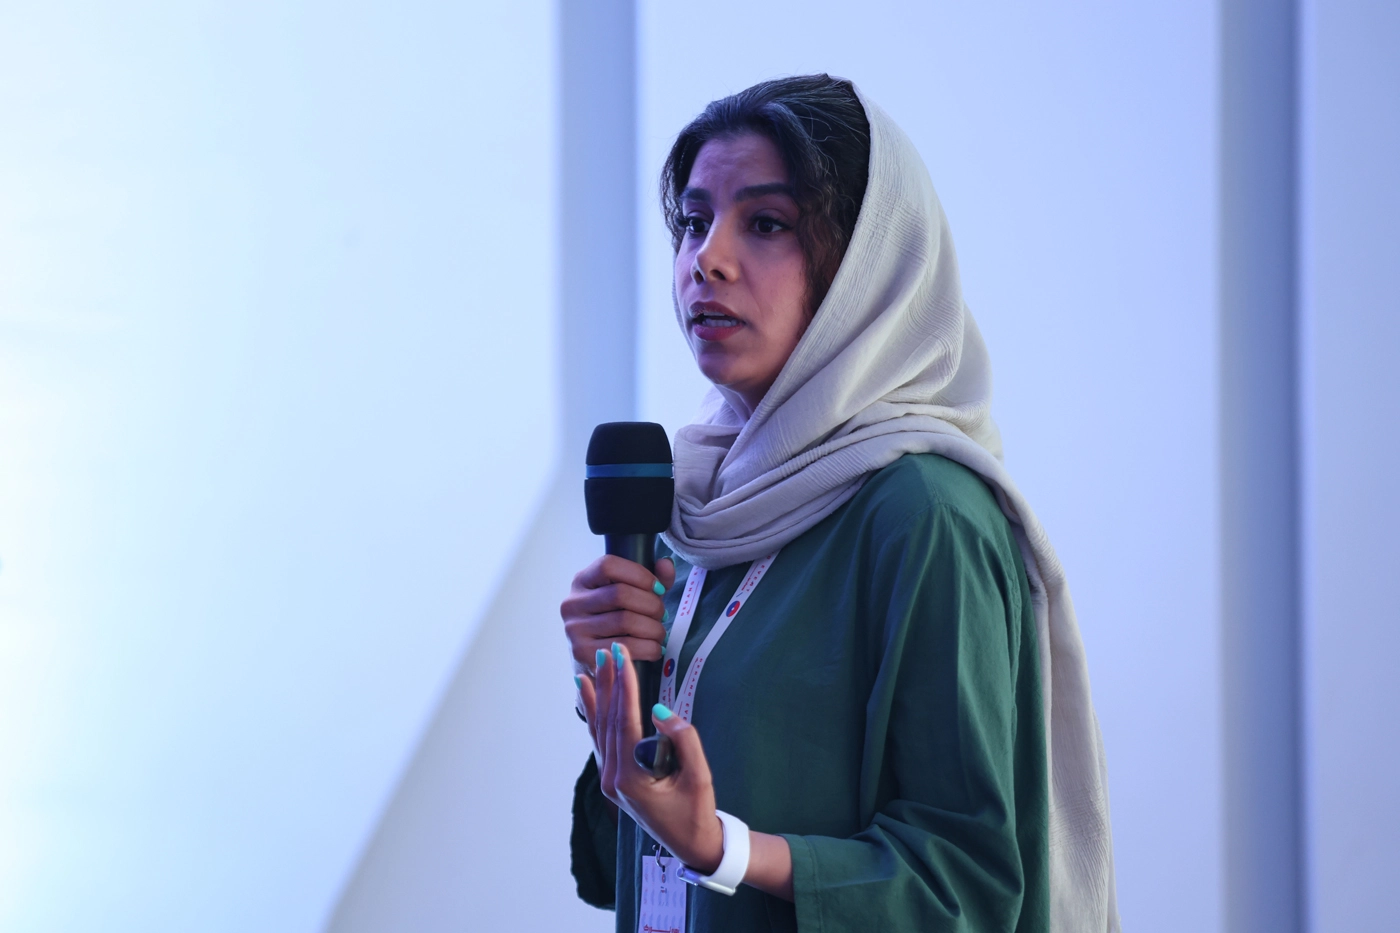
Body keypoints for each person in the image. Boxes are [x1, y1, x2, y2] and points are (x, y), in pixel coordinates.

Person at [560, 75, 1118, 933]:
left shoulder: (927, 516)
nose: (708, 258)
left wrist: (726, 848)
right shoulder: (699, 512)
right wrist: (614, 699)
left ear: (866, 268)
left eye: (767, 223)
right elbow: (623, 870)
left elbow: (968, 887)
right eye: (695, 221)